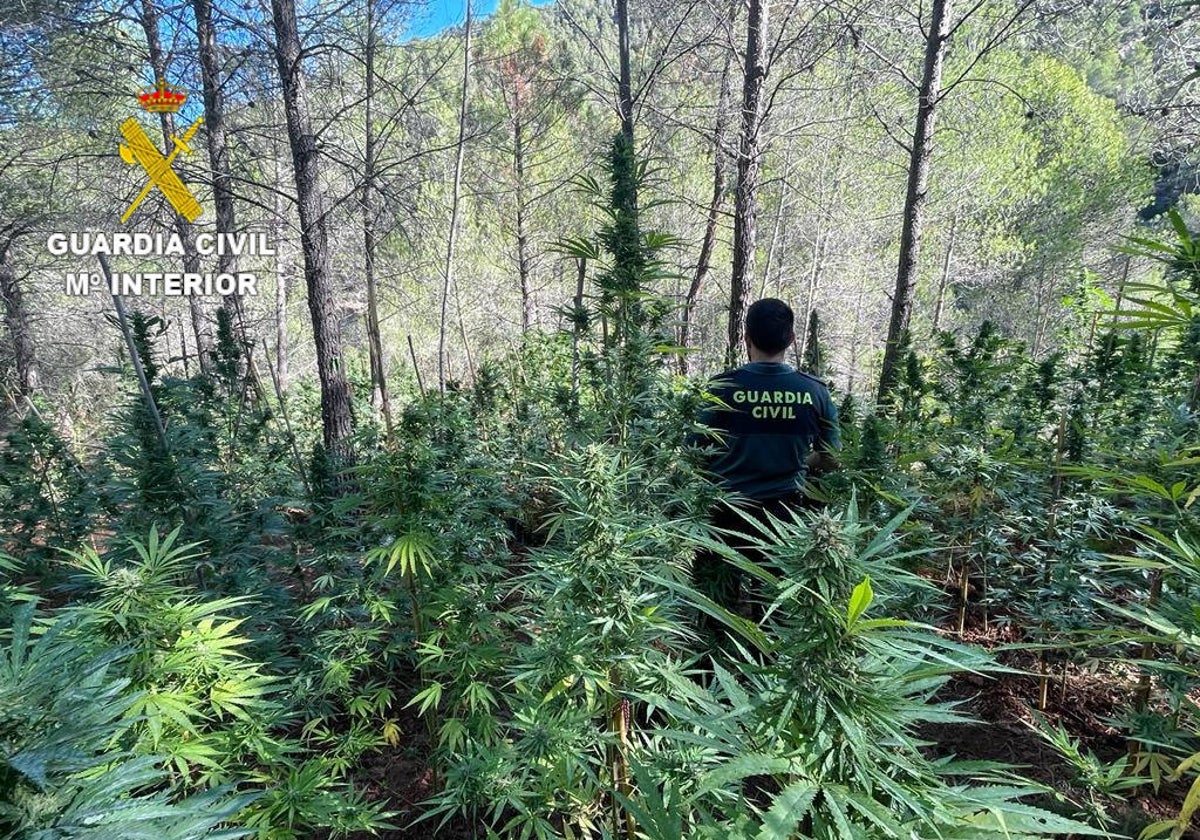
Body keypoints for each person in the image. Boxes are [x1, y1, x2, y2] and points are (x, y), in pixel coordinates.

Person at [691, 298, 841, 642]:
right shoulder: (814, 391)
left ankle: (713, 669)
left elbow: (695, 450)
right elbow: (832, 458)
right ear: (790, 340)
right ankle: (763, 668)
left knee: (716, 602)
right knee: (772, 604)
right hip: (784, 514)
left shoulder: (722, 387)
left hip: (723, 511)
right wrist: (802, 461)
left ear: (746, 338)